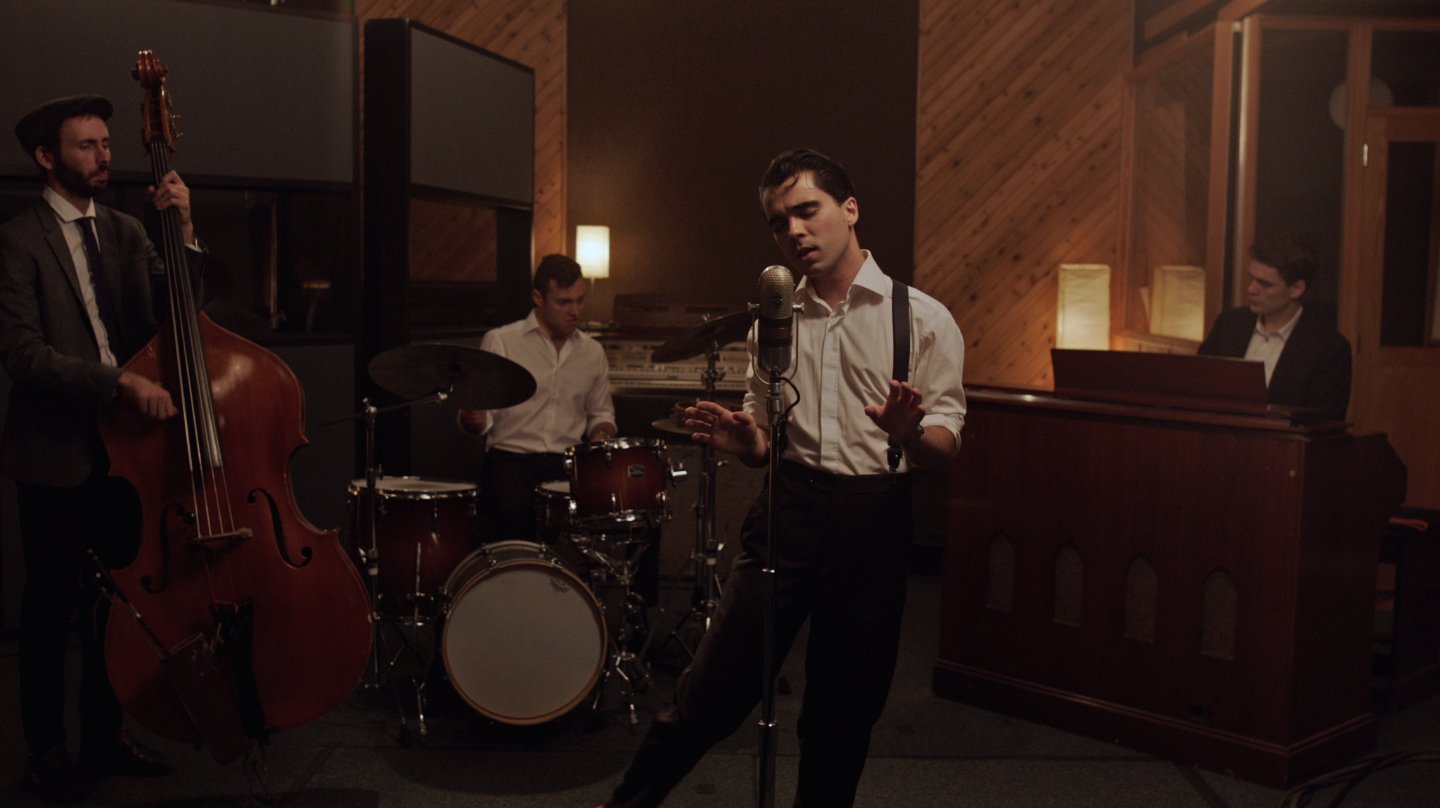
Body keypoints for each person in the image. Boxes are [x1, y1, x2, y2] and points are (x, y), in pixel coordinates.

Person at [599, 148, 966, 807]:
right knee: (710, 693)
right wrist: (751, 442)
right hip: (787, 512)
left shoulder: (924, 319)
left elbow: (945, 446)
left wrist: (909, 432)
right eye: (778, 222)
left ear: (849, 209)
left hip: (874, 520)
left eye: (807, 210)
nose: (794, 230)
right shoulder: (775, 320)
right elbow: (766, 435)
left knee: (841, 716)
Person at [0, 94, 206, 801]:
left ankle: (105, 735)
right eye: (86, 145)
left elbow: (181, 313)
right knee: (51, 607)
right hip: (57, 455)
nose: (104, 155)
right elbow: (23, 353)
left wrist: (183, 230)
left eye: (106, 143)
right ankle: (46, 749)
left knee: (117, 606)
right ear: (46, 157)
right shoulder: (17, 240)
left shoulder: (125, 230)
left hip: (130, 453)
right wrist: (118, 382)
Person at [457, 253, 618, 542]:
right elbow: (481, 422)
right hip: (511, 459)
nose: (575, 311)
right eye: (564, 302)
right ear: (538, 298)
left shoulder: (592, 352)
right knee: (514, 512)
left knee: (620, 510)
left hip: (566, 462)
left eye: (580, 301)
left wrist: (601, 434)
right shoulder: (502, 341)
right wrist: (474, 417)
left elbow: (601, 414)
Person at [1197, 237, 1352, 421]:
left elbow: (1324, 421)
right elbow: (1198, 385)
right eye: (1252, 279)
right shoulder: (1229, 324)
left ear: (1296, 289)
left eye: (1265, 284)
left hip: (1283, 438)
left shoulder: (1328, 348)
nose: (1251, 289)